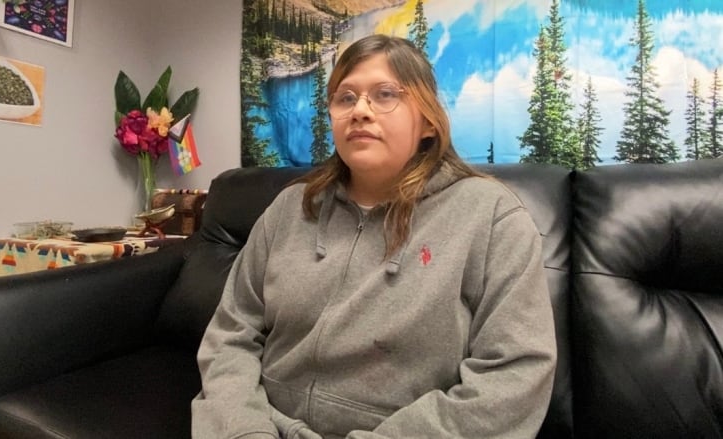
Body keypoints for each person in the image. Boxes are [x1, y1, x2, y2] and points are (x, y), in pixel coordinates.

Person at [192, 34, 556, 439]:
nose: (360, 111)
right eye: (345, 98)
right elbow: (231, 335)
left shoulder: (492, 216)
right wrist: (245, 430)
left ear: (429, 122)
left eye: (385, 94)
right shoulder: (290, 208)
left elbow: (514, 375)